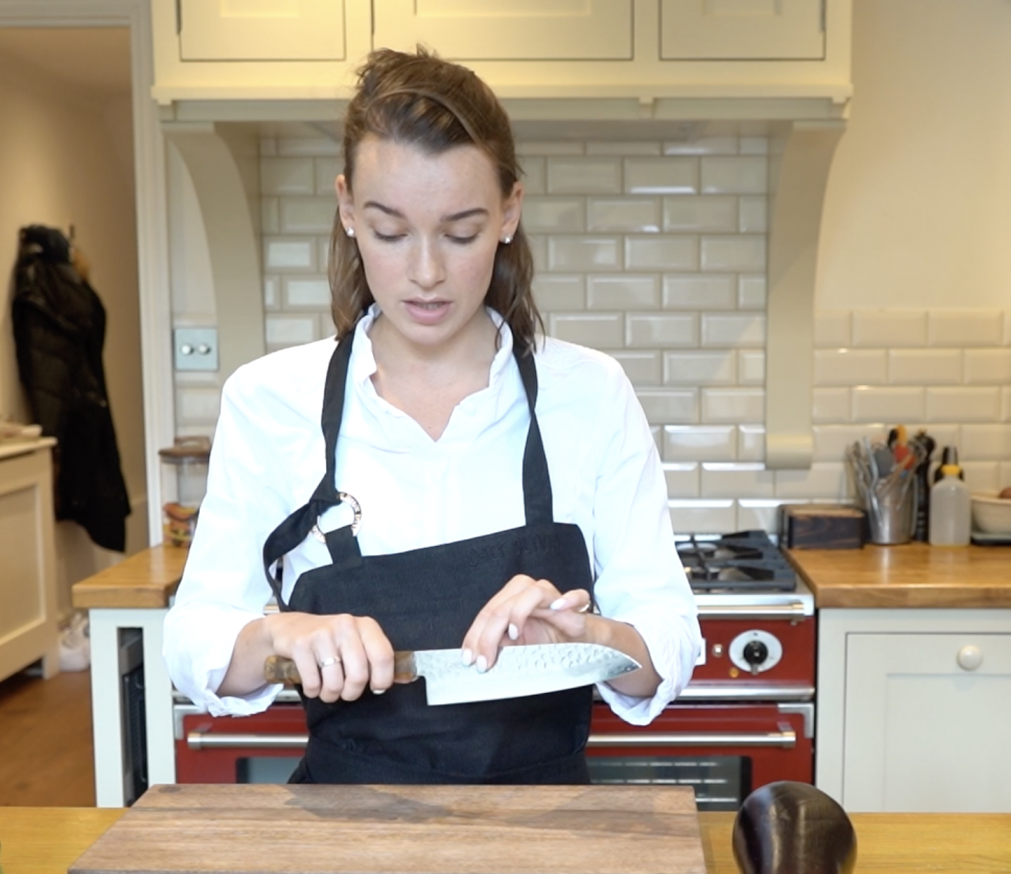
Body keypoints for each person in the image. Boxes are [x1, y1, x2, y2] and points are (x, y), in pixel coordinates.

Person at [163, 47, 701, 785]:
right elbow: (193, 642)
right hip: (346, 840)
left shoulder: (591, 395)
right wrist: (279, 633)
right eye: (389, 231)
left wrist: (590, 635)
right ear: (348, 208)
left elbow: (669, 642)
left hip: (547, 835)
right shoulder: (269, 401)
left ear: (509, 212)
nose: (425, 273)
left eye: (460, 232)